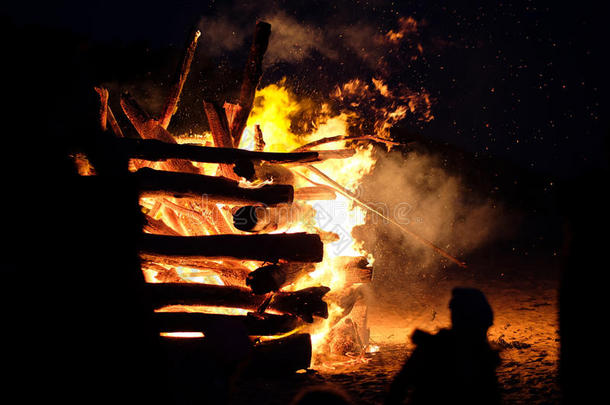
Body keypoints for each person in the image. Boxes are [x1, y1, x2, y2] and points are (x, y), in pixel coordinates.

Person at [385, 287, 501, 405]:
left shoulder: (431, 348)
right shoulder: (480, 358)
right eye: (484, 327)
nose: (485, 333)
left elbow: (398, 388)